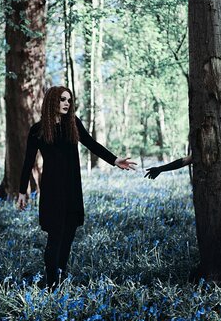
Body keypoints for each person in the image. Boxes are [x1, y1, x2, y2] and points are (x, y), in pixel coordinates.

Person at [17, 86, 136, 289]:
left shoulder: (73, 124)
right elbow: (28, 162)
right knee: (55, 236)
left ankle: (61, 279)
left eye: (69, 100)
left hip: (72, 188)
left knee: (69, 235)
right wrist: (22, 192)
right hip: (53, 190)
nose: (67, 103)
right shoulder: (38, 130)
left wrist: (115, 160)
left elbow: (92, 144)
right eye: (63, 99)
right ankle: (52, 284)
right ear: (52, 101)